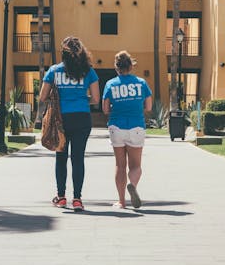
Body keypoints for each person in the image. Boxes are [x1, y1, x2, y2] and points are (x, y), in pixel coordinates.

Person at [38, 36, 100, 212]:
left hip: (60, 119)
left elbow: (42, 97)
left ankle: (61, 197)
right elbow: (95, 99)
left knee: (61, 157)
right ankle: (78, 199)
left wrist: (60, 99)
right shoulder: (88, 71)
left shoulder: (54, 71)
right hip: (82, 118)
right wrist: (80, 100)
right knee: (78, 158)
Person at [102, 51, 152, 209]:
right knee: (135, 165)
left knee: (120, 165)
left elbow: (105, 109)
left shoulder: (110, 84)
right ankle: (133, 184)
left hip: (116, 126)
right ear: (131, 66)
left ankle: (122, 201)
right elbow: (149, 106)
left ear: (116, 68)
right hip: (136, 126)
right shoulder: (141, 83)